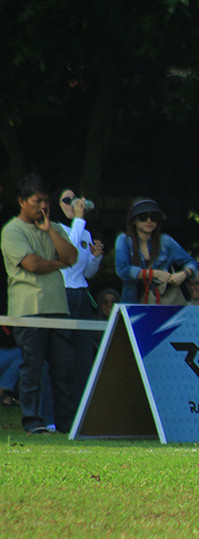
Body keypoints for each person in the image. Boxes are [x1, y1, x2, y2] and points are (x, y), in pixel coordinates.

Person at [0, 173, 78, 434]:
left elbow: (72, 257)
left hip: (58, 307)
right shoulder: (12, 230)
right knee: (32, 367)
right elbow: (31, 264)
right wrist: (59, 264)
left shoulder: (52, 227)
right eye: (37, 201)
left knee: (64, 368)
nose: (43, 206)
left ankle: (66, 422)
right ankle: (32, 421)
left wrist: (50, 232)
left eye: (46, 201)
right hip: (28, 310)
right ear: (22, 201)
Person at [55, 188, 104, 403]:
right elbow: (68, 254)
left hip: (82, 293)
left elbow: (87, 272)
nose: (73, 204)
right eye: (67, 200)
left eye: (75, 200)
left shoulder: (83, 231)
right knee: (64, 354)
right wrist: (78, 219)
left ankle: (82, 405)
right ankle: (63, 407)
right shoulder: (55, 229)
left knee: (84, 352)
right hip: (63, 292)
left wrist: (95, 258)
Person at [115, 198, 197, 304]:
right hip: (132, 304)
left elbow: (192, 262)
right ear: (134, 220)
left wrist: (183, 274)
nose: (149, 221)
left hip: (162, 304)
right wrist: (154, 274)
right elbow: (122, 270)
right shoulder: (124, 240)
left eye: (153, 217)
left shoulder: (165, 241)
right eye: (143, 217)